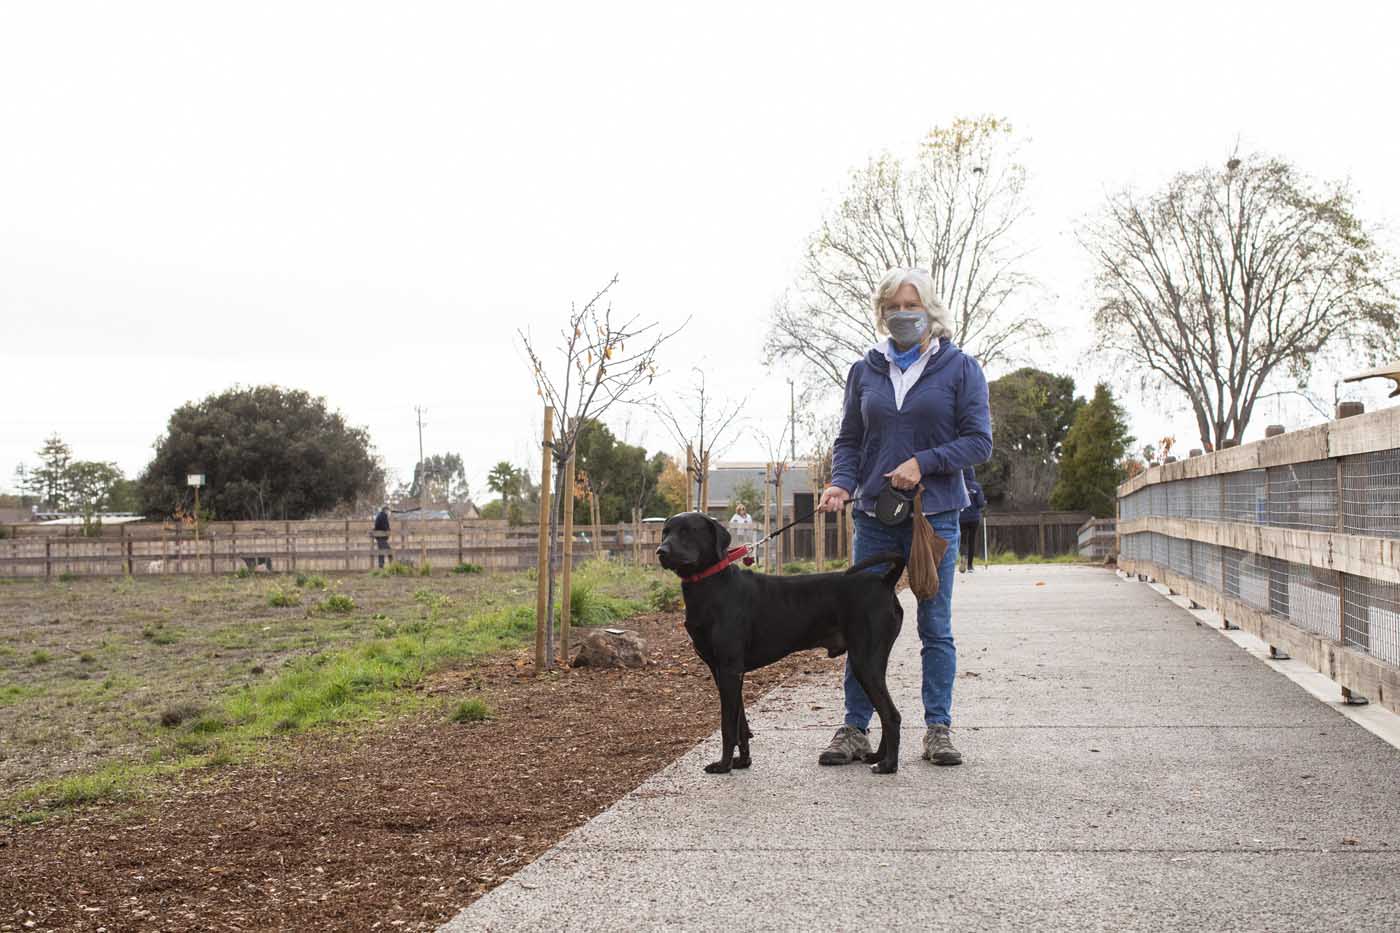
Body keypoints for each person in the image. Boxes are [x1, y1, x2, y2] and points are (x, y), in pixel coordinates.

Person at [817, 267, 992, 767]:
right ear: (882, 313)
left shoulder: (960, 368)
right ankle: (855, 728)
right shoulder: (865, 370)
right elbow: (850, 440)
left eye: (910, 305)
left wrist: (925, 462)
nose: (902, 315)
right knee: (858, 626)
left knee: (934, 624)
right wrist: (840, 482)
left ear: (929, 309)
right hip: (873, 516)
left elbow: (979, 440)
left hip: (932, 520)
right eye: (892, 307)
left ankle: (938, 727)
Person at [959, 467, 986, 574]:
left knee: (963, 540)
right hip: (974, 518)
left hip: (961, 517)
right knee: (972, 540)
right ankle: (970, 566)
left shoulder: (959, 486)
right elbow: (980, 503)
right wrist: (984, 503)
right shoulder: (977, 486)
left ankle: (963, 555)